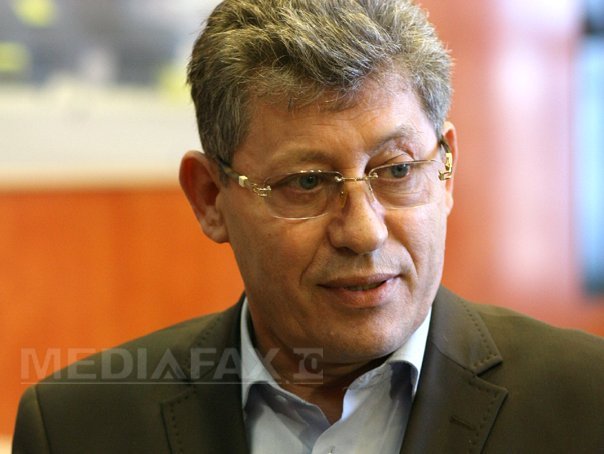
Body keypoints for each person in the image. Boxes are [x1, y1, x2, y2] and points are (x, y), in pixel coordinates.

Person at [13, 0, 604, 452]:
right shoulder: (77, 428)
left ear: (445, 171)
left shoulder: (586, 402)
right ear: (210, 198)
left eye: (397, 170)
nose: (364, 232)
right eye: (306, 182)